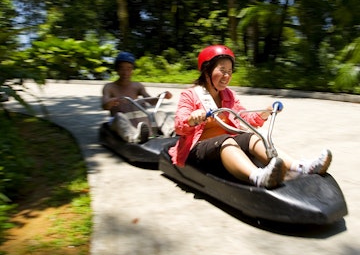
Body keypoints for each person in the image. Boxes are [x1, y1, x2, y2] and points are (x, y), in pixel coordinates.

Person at [169, 45, 332, 189]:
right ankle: (257, 176)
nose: (227, 76)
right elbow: (179, 125)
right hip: (198, 148)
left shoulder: (228, 95)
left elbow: (243, 117)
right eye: (222, 71)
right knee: (227, 141)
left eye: (230, 72)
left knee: (252, 137)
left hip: (225, 141)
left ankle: (300, 167)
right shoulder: (190, 95)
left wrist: (264, 112)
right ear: (207, 71)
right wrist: (192, 118)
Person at [102, 51, 173, 143]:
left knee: (159, 113)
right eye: (122, 69)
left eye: (128, 69)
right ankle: (135, 137)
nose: (125, 72)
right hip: (120, 121)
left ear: (132, 70)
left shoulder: (137, 86)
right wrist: (110, 102)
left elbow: (150, 101)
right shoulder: (109, 87)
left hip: (138, 119)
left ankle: (171, 132)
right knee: (119, 116)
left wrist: (161, 96)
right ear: (117, 70)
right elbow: (104, 105)